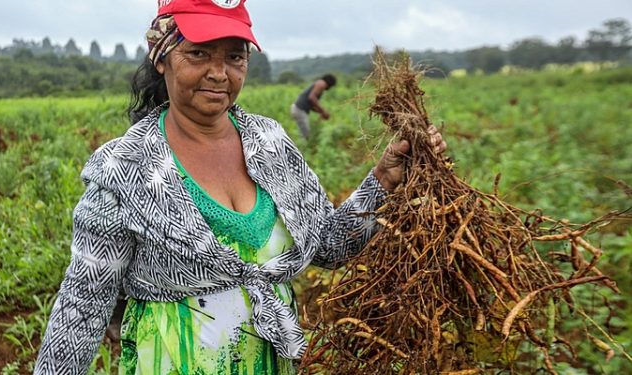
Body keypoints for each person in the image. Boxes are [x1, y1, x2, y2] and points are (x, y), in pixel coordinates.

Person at [34, 0, 446, 374]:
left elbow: (330, 245)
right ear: (162, 59)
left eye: (235, 56)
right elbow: (83, 306)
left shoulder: (271, 143)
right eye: (198, 53)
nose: (219, 73)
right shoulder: (123, 168)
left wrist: (383, 180)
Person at [290, 74, 336, 140]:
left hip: (298, 109)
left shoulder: (319, 83)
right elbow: (311, 98)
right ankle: (301, 149)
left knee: (304, 134)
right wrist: (323, 111)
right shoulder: (322, 83)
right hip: (299, 110)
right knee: (306, 136)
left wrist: (322, 113)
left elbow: (312, 105)